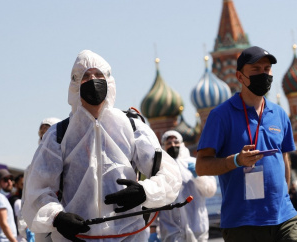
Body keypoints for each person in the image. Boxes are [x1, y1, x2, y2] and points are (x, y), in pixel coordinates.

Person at [22, 50, 181, 242]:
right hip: (77, 238)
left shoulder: (132, 127)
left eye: (99, 75)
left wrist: (144, 192)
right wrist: (58, 217)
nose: (93, 80)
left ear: (109, 80)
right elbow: (36, 191)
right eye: (86, 76)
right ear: (75, 84)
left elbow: (170, 174)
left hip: (129, 236)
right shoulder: (57, 135)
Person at [196, 46, 297, 242]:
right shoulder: (220, 116)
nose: (263, 74)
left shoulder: (279, 114)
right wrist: (236, 160)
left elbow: (284, 158)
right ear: (240, 76)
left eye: (267, 69)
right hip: (243, 224)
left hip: (284, 217)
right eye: (256, 70)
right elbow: (201, 166)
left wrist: (284, 198)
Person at [156, 130, 217, 241]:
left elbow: (210, 191)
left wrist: (198, 176)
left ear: (182, 144)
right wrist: (153, 226)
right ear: (163, 146)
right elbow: (155, 199)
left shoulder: (194, 163)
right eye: (168, 143)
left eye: (176, 142)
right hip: (171, 228)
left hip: (197, 225)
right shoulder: (159, 168)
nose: (173, 145)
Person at [8, 174, 27, 242]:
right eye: (22, 184)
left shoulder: (11, 200)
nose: (25, 187)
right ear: (16, 185)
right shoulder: (18, 202)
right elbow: (22, 225)